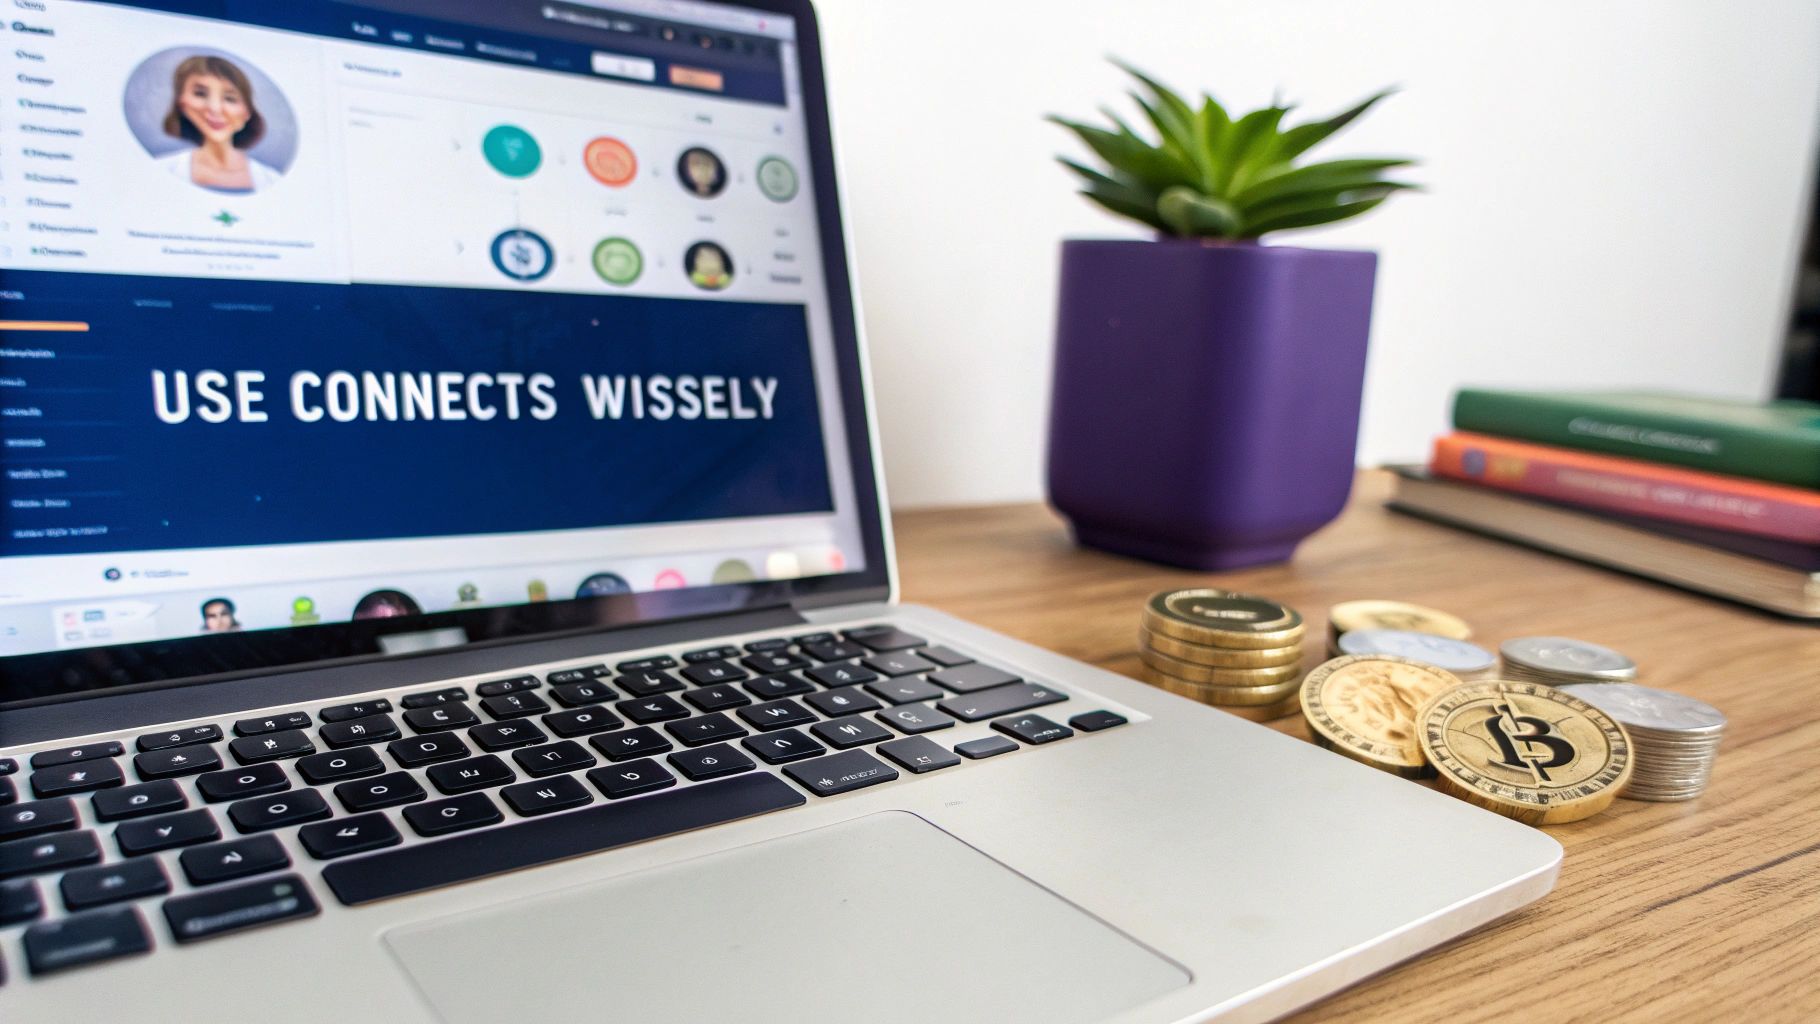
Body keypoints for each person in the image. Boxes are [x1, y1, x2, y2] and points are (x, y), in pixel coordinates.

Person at [157, 55, 282, 194]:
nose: (215, 108)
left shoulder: (272, 180)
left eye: (230, 98)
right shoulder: (161, 169)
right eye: (200, 94)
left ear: (247, 112)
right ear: (181, 103)